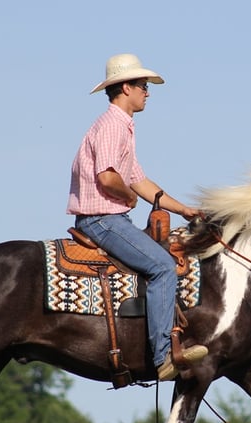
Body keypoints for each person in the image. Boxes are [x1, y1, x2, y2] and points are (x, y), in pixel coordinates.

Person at [67, 53, 208, 381]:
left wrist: (183, 209)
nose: (148, 92)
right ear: (126, 87)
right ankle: (162, 358)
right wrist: (128, 197)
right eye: (143, 86)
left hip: (110, 218)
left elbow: (141, 181)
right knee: (162, 266)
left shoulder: (123, 127)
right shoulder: (111, 125)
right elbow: (108, 177)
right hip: (102, 219)